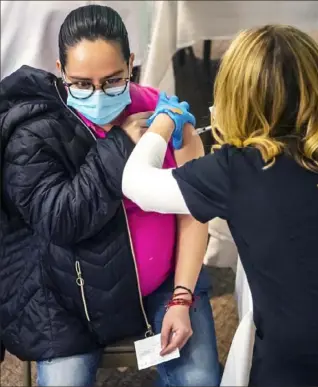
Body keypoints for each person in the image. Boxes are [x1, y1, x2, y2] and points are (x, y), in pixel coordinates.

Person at [0, 5, 221, 387]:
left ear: (132, 64)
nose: (98, 95)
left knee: (200, 379)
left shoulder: (163, 112)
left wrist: (182, 298)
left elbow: (194, 213)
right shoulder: (35, 131)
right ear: (60, 70)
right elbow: (60, 219)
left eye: (114, 80)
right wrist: (122, 144)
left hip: (166, 282)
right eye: (82, 83)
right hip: (71, 296)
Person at [122, 25, 318, 386]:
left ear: (233, 95)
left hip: (291, 366)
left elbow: (134, 183)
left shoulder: (235, 169)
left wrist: (162, 125)